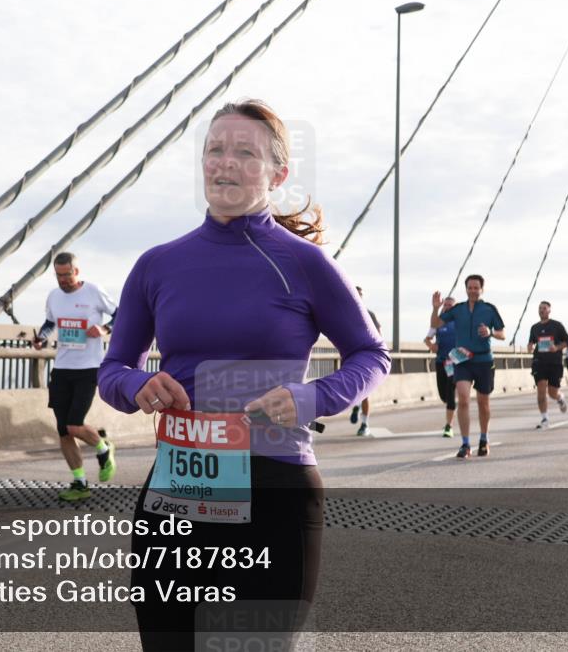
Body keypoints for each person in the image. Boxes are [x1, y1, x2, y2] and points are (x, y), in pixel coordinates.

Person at [97, 100, 390, 650]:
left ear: (277, 174)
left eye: (245, 153)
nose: (225, 162)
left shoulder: (304, 262)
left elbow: (371, 355)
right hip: (178, 491)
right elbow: (113, 369)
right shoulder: (157, 265)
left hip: (274, 492)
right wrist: (138, 385)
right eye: (215, 149)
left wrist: (311, 398)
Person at [33, 252, 118, 501]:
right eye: (58, 275)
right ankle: (80, 483)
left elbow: (121, 314)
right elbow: (50, 323)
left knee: (74, 424)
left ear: (76, 272)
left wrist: (104, 328)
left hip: (88, 368)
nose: (63, 280)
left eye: (67, 275)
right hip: (62, 369)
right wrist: (41, 338)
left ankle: (103, 447)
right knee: (64, 431)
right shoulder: (54, 296)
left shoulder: (93, 291)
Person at [430, 276, 505, 459]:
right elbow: (435, 324)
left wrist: (490, 332)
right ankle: (465, 444)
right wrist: (435, 308)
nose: (473, 290)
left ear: (482, 289)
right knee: (463, 399)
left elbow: (502, 334)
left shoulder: (489, 309)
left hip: (484, 360)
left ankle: (484, 439)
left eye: (476, 288)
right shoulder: (458, 310)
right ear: (466, 289)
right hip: (463, 360)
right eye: (470, 287)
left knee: (482, 402)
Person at [529, 301, 568, 429]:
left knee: (552, 392)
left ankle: (559, 398)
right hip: (539, 362)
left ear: (549, 310)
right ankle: (545, 418)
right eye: (540, 308)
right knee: (541, 390)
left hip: (554, 363)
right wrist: (530, 346)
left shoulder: (557, 325)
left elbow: (567, 341)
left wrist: (557, 347)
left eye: (544, 308)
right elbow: (531, 342)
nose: (541, 310)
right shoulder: (534, 327)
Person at [350, 286, 383, 436]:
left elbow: (379, 334)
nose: (358, 296)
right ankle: (356, 405)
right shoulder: (345, 312)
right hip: (351, 355)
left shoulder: (369, 314)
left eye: (360, 295)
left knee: (366, 391)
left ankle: (364, 424)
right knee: (355, 389)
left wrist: (379, 351)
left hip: (367, 356)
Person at [424, 296, 457, 437]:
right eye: (446, 305)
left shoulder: (459, 322)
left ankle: (449, 425)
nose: (448, 307)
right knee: (443, 395)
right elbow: (427, 339)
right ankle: (451, 409)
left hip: (453, 362)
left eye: (451, 305)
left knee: (450, 392)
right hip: (440, 361)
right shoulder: (439, 323)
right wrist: (432, 346)